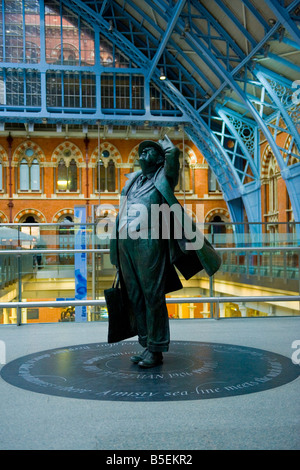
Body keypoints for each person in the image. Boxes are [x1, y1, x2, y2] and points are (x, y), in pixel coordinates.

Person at [109, 135, 221, 368]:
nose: (143, 154)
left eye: (149, 151)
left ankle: (157, 349)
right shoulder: (133, 181)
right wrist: (116, 251)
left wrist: (167, 146)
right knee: (135, 295)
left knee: (152, 295)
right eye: (142, 151)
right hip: (126, 243)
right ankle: (146, 343)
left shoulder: (164, 177)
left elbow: (173, 158)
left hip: (150, 241)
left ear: (159, 159)